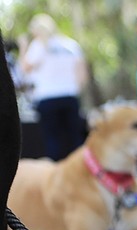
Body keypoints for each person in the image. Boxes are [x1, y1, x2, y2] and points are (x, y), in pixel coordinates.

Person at [20, 13, 87, 161]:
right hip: (70, 97)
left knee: (53, 143)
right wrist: (74, 91)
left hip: (47, 99)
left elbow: (24, 69)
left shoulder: (38, 46)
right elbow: (82, 76)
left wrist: (23, 47)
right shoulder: (71, 45)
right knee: (75, 141)